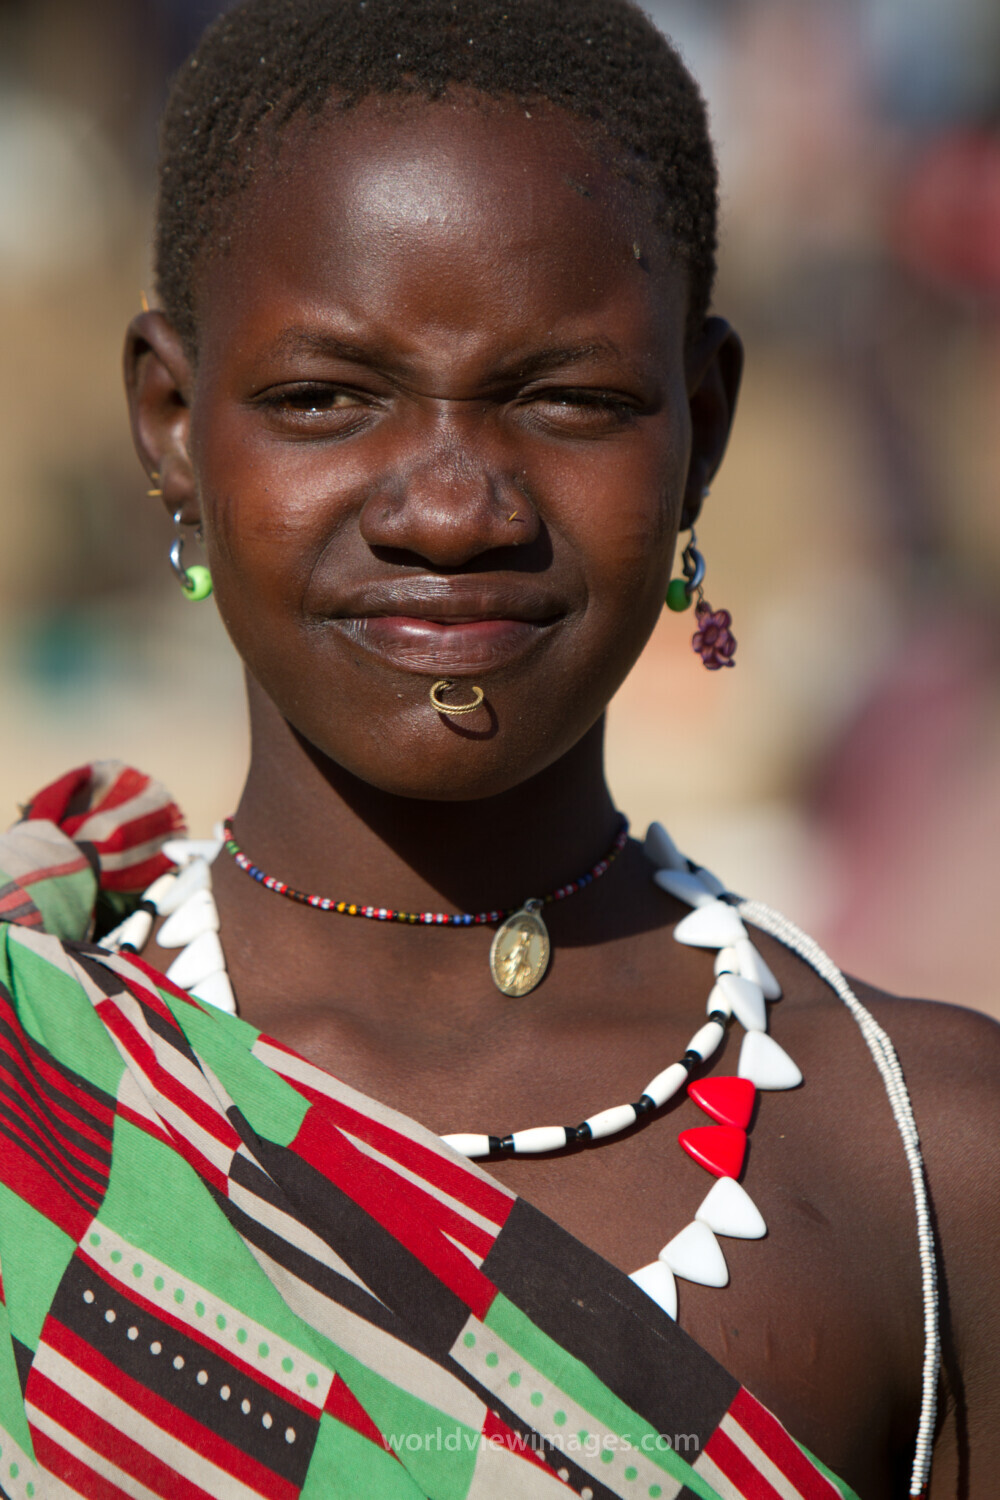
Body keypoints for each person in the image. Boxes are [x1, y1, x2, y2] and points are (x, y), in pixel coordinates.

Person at [0, 2, 997, 1497]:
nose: (452, 510)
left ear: (701, 431)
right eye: (325, 399)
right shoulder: (41, 1094)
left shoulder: (921, 1163)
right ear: (171, 428)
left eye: (571, 400)